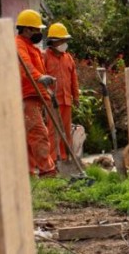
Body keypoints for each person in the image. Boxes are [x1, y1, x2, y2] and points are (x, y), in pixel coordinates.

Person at [15, 9, 57, 177]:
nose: (39, 33)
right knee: (39, 133)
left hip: (34, 95)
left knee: (30, 136)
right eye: (37, 29)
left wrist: (45, 86)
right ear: (26, 29)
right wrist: (40, 77)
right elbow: (25, 66)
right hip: (26, 96)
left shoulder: (30, 47)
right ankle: (48, 171)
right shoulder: (18, 44)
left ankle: (29, 172)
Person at [43, 23, 79, 163]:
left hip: (66, 100)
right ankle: (52, 160)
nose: (64, 43)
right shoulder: (45, 57)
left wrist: (76, 96)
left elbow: (73, 79)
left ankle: (66, 157)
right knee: (52, 130)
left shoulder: (68, 57)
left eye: (65, 40)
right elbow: (41, 78)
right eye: (61, 40)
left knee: (66, 130)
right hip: (52, 101)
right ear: (53, 41)